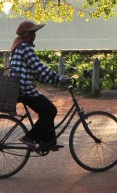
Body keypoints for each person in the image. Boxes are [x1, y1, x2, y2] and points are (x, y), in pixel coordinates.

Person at [8, 21, 71, 151]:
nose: (35, 36)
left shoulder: (19, 46)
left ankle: (49, 143)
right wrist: (59, 79)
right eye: (32, 33)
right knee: (50, 110)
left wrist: (54, 80)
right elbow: (39, 67)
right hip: (24, 89)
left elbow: (37, 73)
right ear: (26, 35)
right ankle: (29, 137)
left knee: (46, 111)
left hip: (20, 88)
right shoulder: (25, 47)